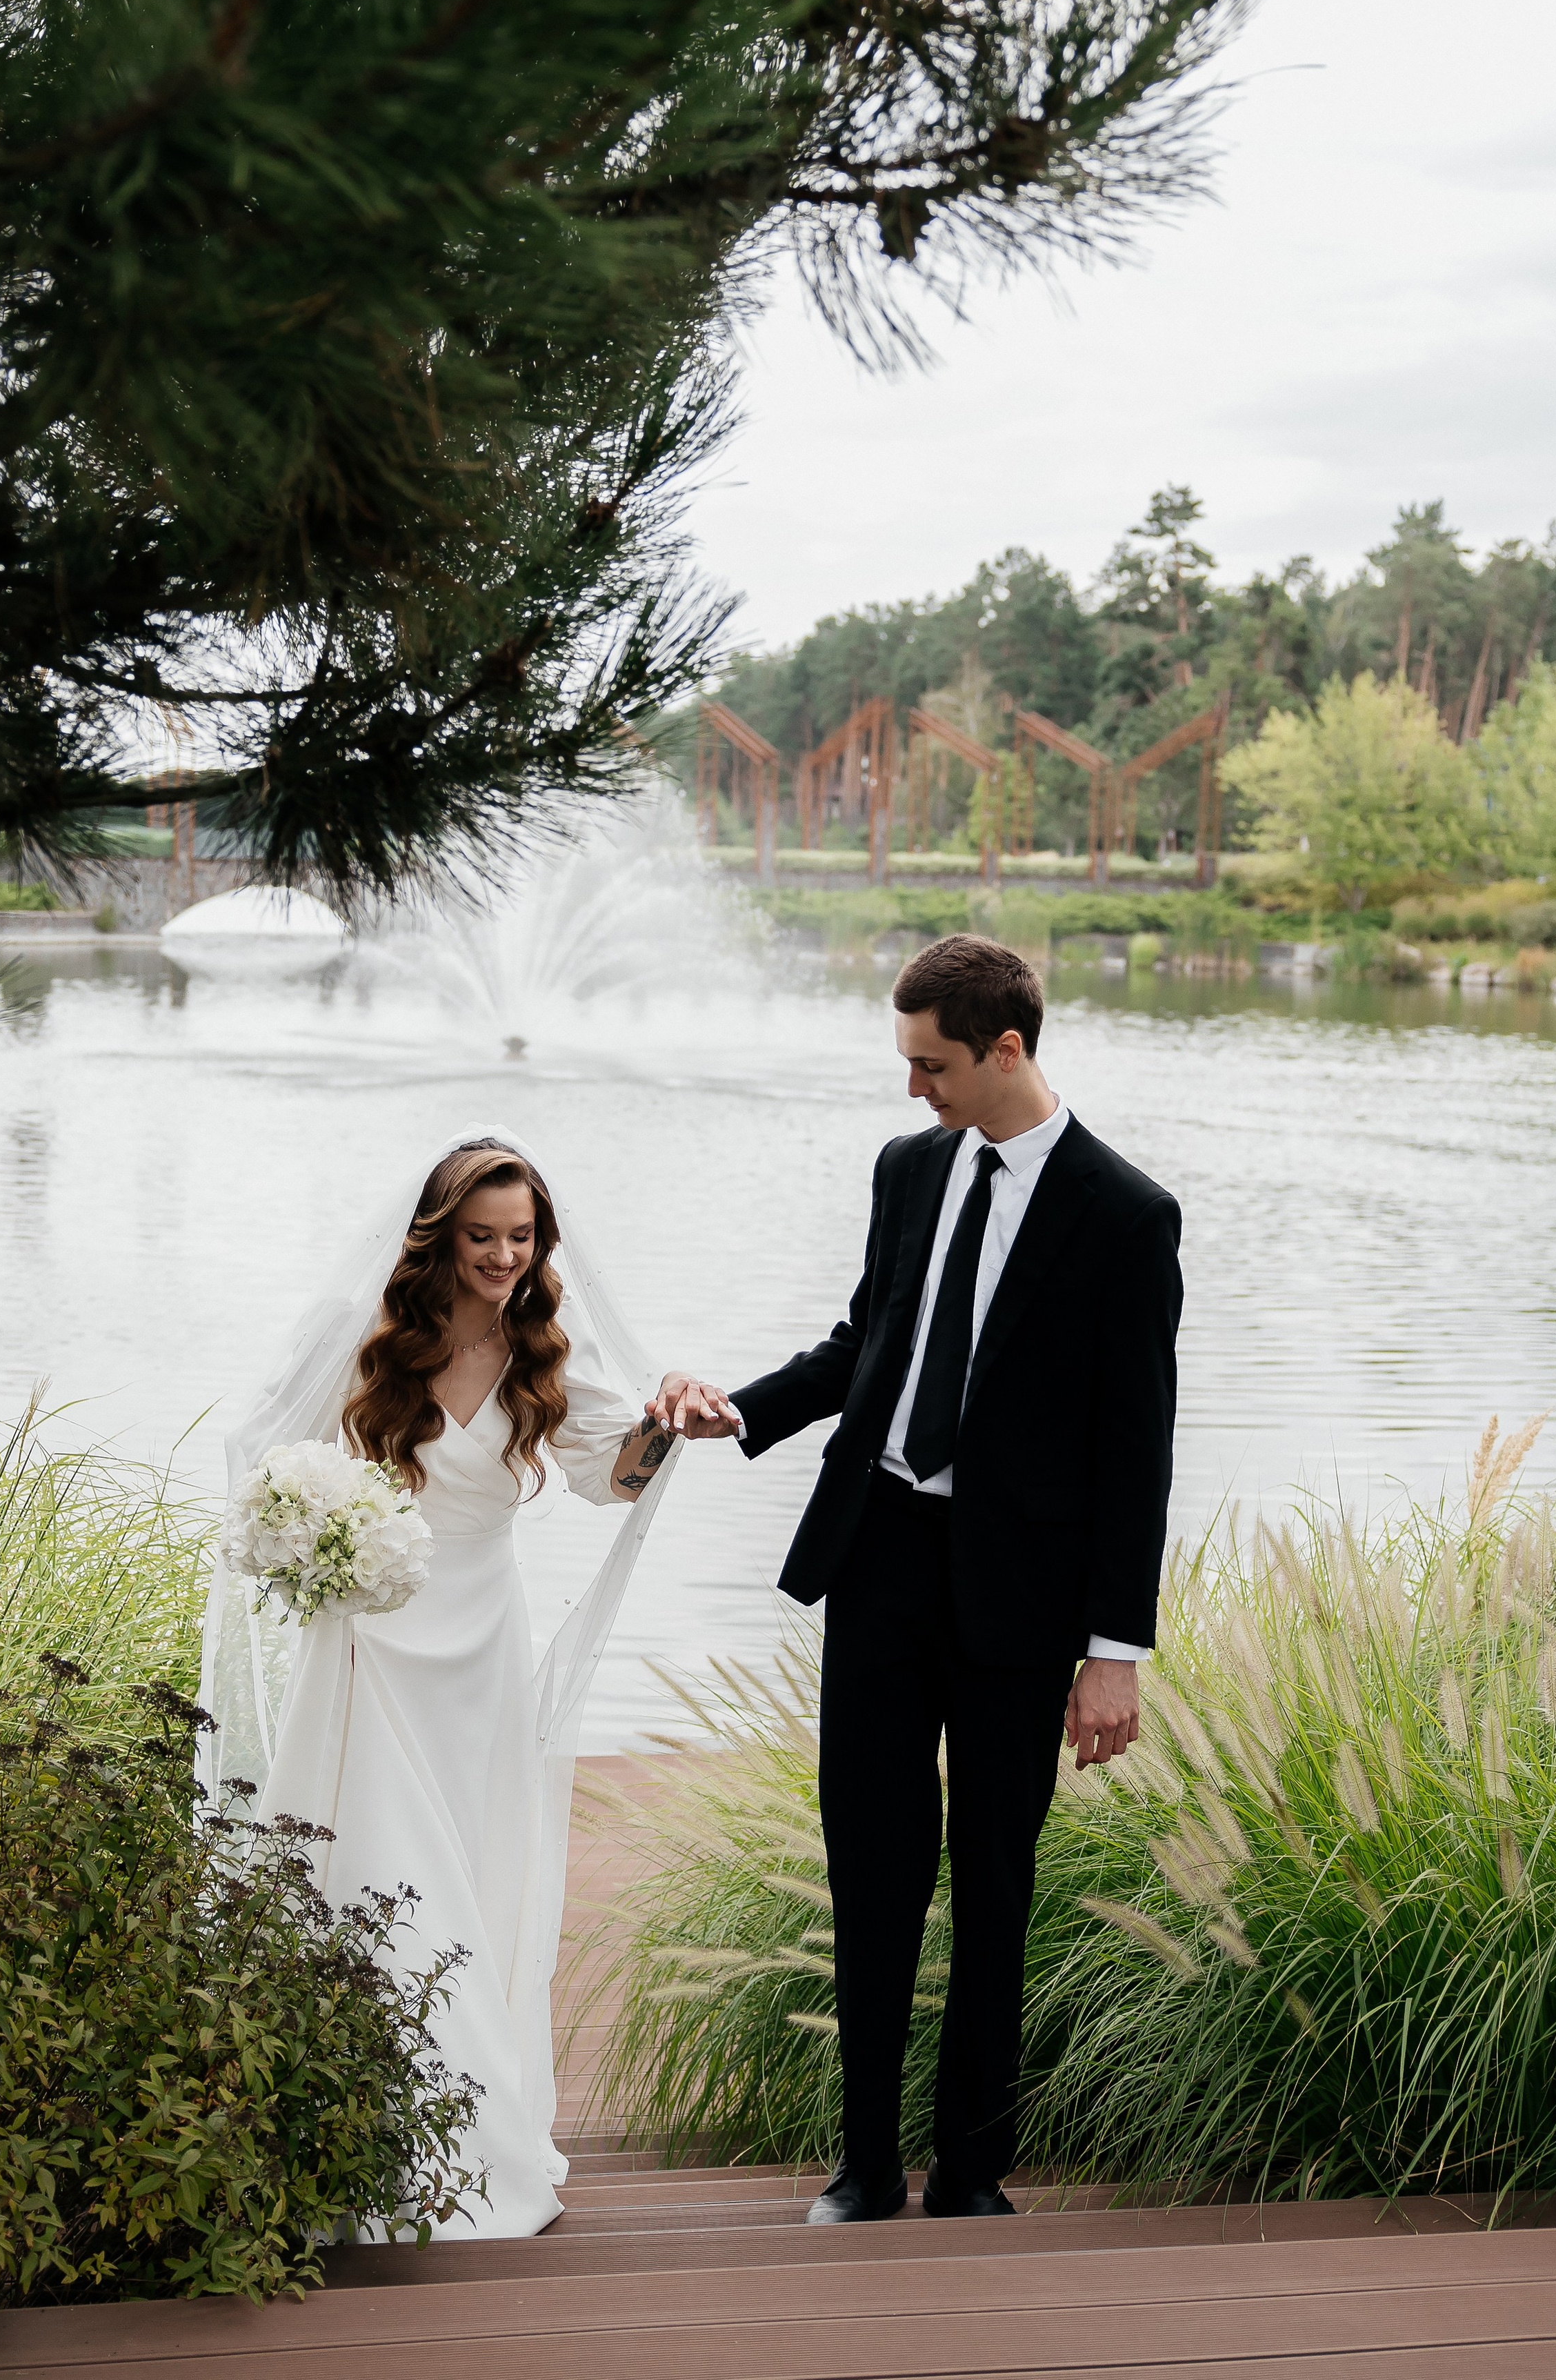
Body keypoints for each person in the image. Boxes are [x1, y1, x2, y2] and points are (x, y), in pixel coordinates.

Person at [652, 934, 1182, 2225]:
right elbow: (868, 1341)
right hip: (879, 1562)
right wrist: (744, 1409)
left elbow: (1138, 1445)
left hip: (1020, 1603)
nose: (913, 1090)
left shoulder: (1126, 1215)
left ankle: (972, 2176)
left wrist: (1114, 1649)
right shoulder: (908, 1170)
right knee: (870, 1867)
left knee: (995, 1883)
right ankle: (865, 2167)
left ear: (1007, 1049)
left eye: (931, 1065)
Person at [198, 1131, 709, 2239]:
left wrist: (662, 1431)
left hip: (481, 1643)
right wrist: (310, 1541)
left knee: (467, 1872)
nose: (503, 1257)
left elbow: (611, 1482)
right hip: (372, 1638)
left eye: (521, 1238)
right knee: (372, 1856)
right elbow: (267, 1459)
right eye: (482, 1236)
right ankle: (342, 2130)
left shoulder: (546, 1357)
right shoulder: (373, 1344)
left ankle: (464, 2133)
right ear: (440, 1236)